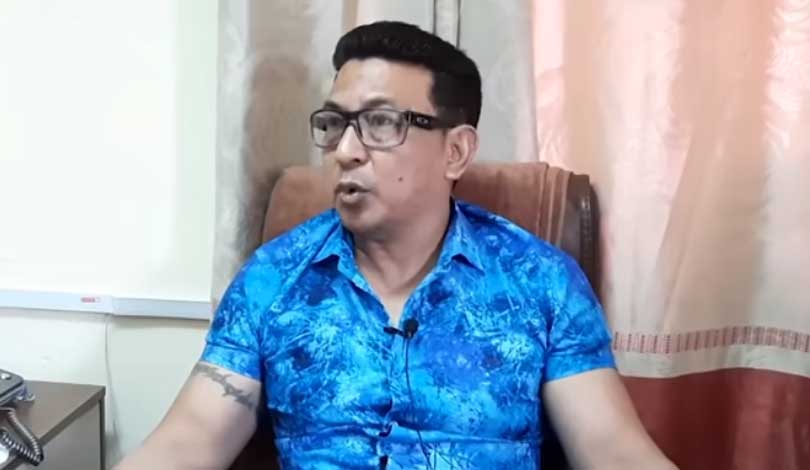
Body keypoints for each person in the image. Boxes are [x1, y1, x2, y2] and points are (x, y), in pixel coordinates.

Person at [116, 21, 677, 470]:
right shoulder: (274, 280)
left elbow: (612, 450)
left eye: (380, 123)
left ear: (455, 151)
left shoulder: (540, 282)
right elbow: (190, 439)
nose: (346, 150)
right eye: (335, 124)